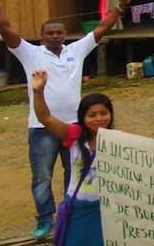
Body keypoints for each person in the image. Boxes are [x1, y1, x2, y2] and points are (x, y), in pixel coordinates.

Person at [0, 0, 134, 239]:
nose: (55, 36)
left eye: (59, 32)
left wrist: (120, 8)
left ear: (65, 34)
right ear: (41, 36)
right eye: (49, 33)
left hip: (75, 128)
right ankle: (43, 219)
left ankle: (68, 209)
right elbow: (4, 29)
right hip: (42, 127)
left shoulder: (76, 50)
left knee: (74, 171)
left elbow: (101, 28)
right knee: (42, 176)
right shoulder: (29, 52)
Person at [29, 71, 113, 246]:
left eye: (103, 113)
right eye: (92, 115)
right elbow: (45, 118)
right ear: (82, 117)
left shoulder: (120, 141)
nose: (99, 118)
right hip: (78, 209)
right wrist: (38, 92)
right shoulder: (74, 135)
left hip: (106, 210)